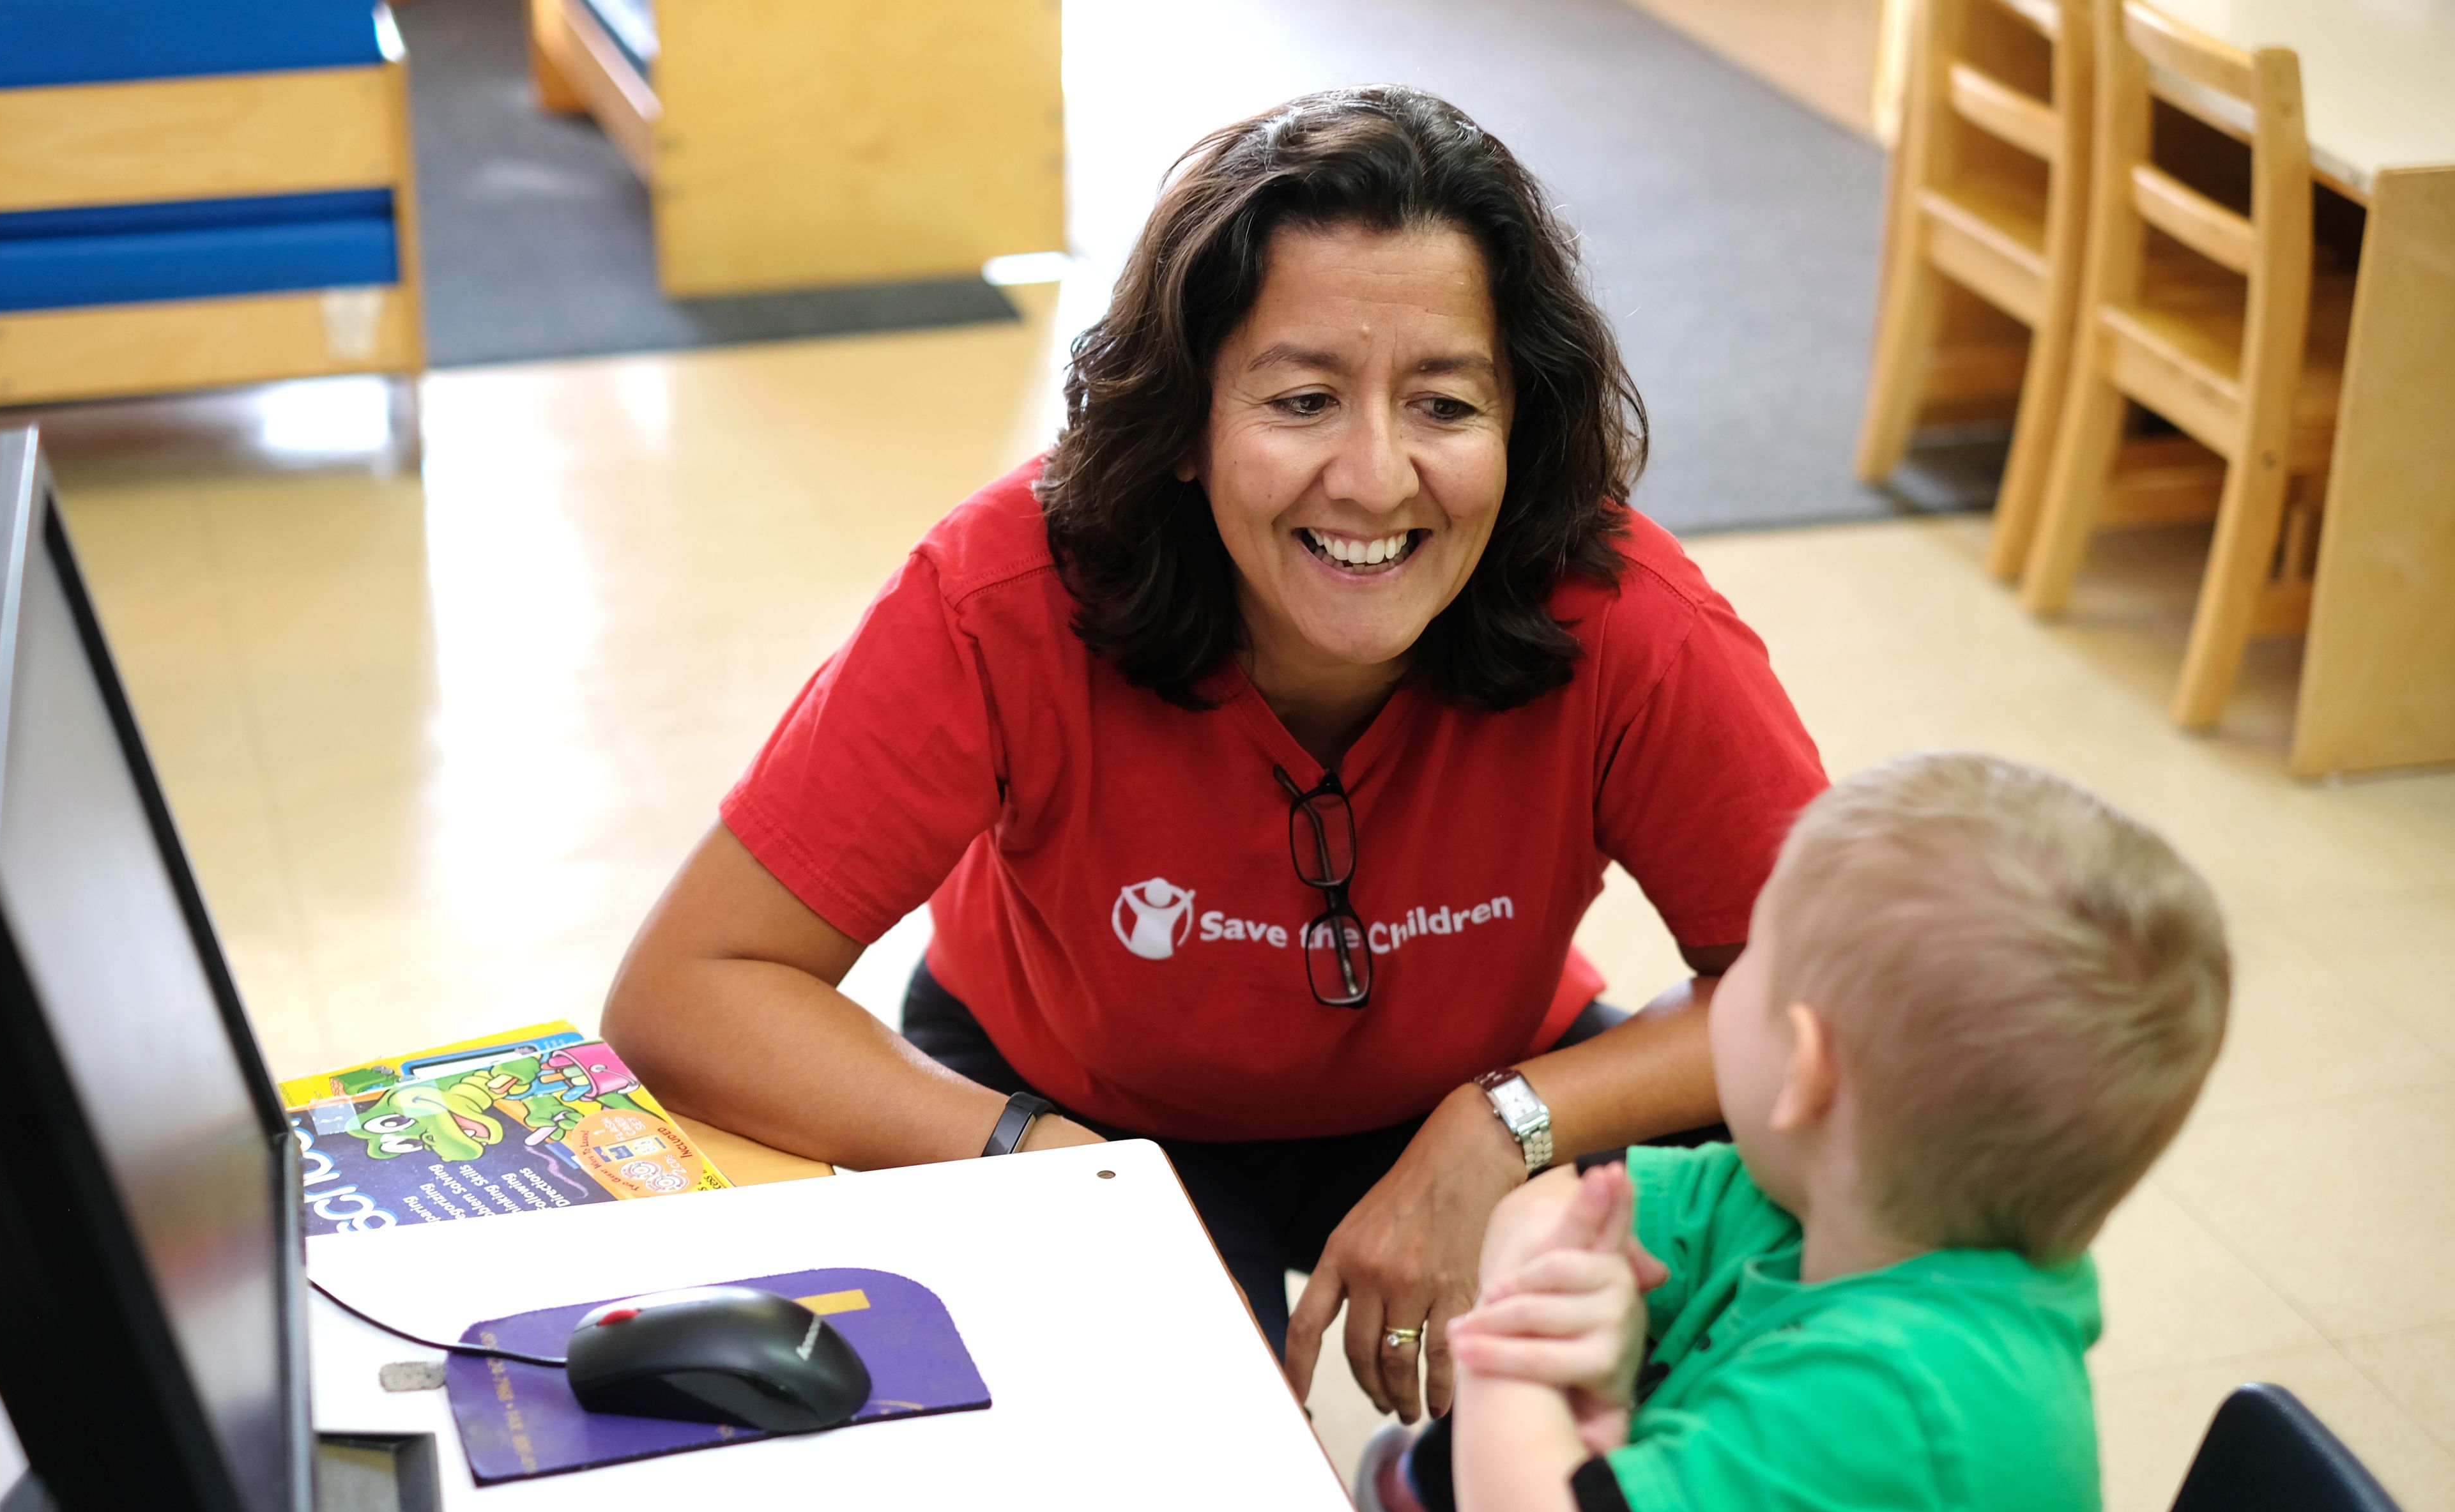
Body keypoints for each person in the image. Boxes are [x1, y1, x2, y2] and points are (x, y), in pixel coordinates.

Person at [602, 86, 1825, 1418]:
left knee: (1813, 1174)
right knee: (1198, 1471)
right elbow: (688, 986)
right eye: (1300, 400)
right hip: (1070, 1091)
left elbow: (1830, 987)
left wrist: (1505, 1122)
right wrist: (1042, 1159)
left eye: (1443, 405)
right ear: (1183, 423)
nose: (1372, 478)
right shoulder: (1005, 591)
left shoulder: (1622, 614)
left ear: (1517, 422)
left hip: (1469, 1075)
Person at [1352, 752, 2231, 1512]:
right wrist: (1562, 1295)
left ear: (1803, 1072)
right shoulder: (1819, 1201)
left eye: (1745, 967)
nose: (1713, 987)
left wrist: (1521, 1347)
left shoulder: (1911, 1403)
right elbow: (1537, 1208)